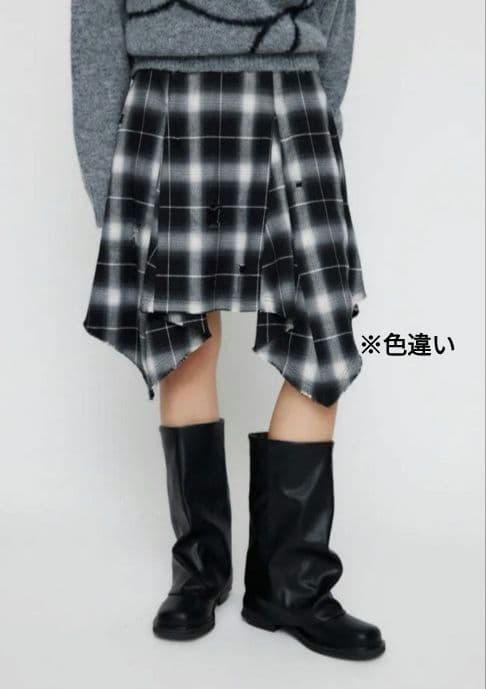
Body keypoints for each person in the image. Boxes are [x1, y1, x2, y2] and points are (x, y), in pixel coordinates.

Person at [71, 0, 385, 660]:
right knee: (182, 343)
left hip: (292, 103)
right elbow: (96, 38)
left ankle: (292, 586)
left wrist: (315, 121)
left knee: (320, 342)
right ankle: (199, 573)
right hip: (165, 108)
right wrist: (109, 192)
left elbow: (337, 22)